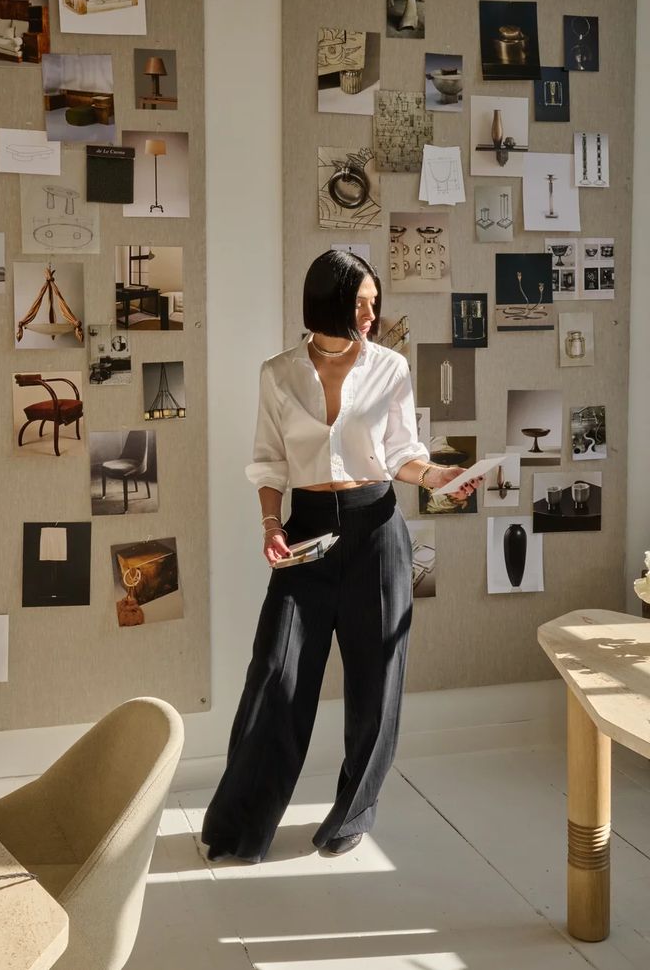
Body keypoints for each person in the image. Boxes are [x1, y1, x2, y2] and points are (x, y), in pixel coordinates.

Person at [202, 250, 480, 863]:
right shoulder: (277, 373)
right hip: (306, 530)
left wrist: (437, 475)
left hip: (377, 527)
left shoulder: (390, 370)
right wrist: (270, 525)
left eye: (375, 301)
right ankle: (239, 826)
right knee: (276, 672)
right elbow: (269, 461)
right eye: (362, 302)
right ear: (327, 300)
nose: (372, 313)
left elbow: (402, 453)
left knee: (376, 680)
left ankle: (352, 814)